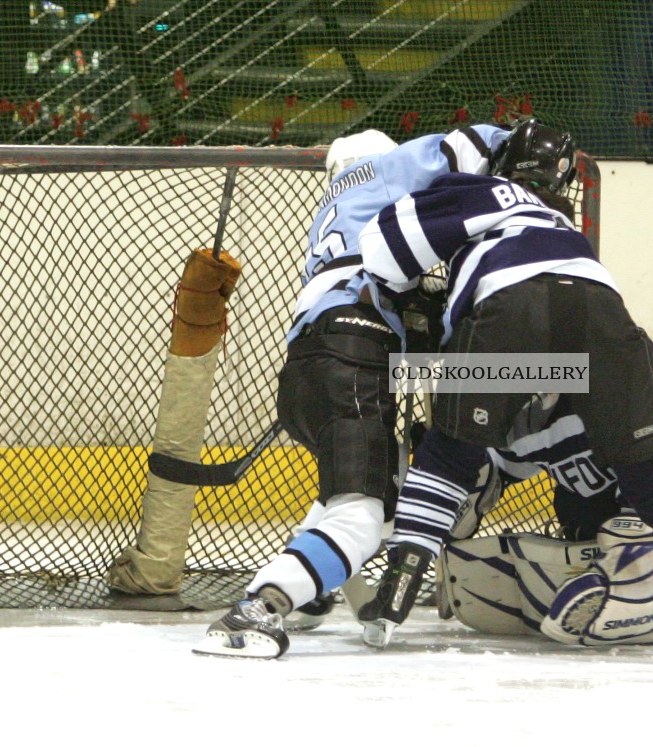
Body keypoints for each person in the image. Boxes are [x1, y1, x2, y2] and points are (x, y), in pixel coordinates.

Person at [357, 119, 653, 660]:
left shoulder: (479, 190)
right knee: (651, 473)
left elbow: (379, 247)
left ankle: (393, 597)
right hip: (602, 311)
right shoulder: (563, 225)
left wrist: (416, 293)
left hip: (511, 306)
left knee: (449, 452)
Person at [192, 124, 512, 658]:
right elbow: (467, 145)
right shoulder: (382, 172)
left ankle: (311, 588)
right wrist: (516, 140)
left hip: (310, 367)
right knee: (361, 515)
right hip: (352, 358)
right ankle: (255, 610)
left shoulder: (333, 208)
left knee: (365, 499)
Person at [433, 382, 653, 648]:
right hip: (603, 522)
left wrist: (637, 548)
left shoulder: (628, 383)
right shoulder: (521, 417)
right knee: (579, 508)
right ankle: (652, 593)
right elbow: (495, 468)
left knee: (649, 543)